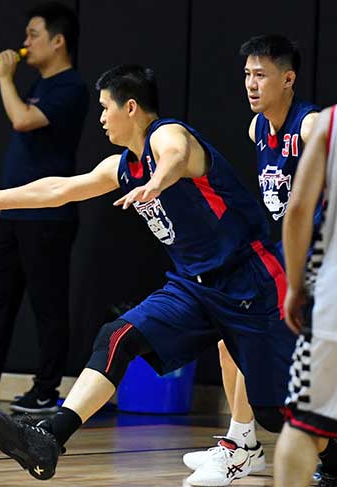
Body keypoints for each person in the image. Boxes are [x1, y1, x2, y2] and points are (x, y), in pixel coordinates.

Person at [0, 64, 296, 486]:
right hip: (193, 286)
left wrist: (158, 182)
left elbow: (175, 155)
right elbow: (62, 188)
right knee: (117, 336)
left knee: (275, 413)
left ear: (130, 107)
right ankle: (49, 437)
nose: (100, 118)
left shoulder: (167, 135)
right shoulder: (122, 166)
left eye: (105, 108)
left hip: (248, 280)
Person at [183, 34, 320, 483]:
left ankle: (244, 445)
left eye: (261, 75)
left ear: (288, 79)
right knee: (230, 340)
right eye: (247, 74)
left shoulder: (310, 126)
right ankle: (243, 443)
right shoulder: (257, 128)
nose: (251, 84)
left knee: (254, 337)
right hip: (285, 259)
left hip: (321, 261)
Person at [0, 2, 88, 414]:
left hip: (48, 216)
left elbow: (22, 120)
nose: (25, 43)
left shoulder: (71, 87)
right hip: (13, 212)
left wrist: (4, 78)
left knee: (47, 305)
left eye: (34, 35)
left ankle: (46, 390)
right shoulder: (38, 85)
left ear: (58, 41)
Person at [274, 106, 336, 486]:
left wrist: (295, 286)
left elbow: (297, 209)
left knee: (303, 423)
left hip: (332, 296)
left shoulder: (330, 121)